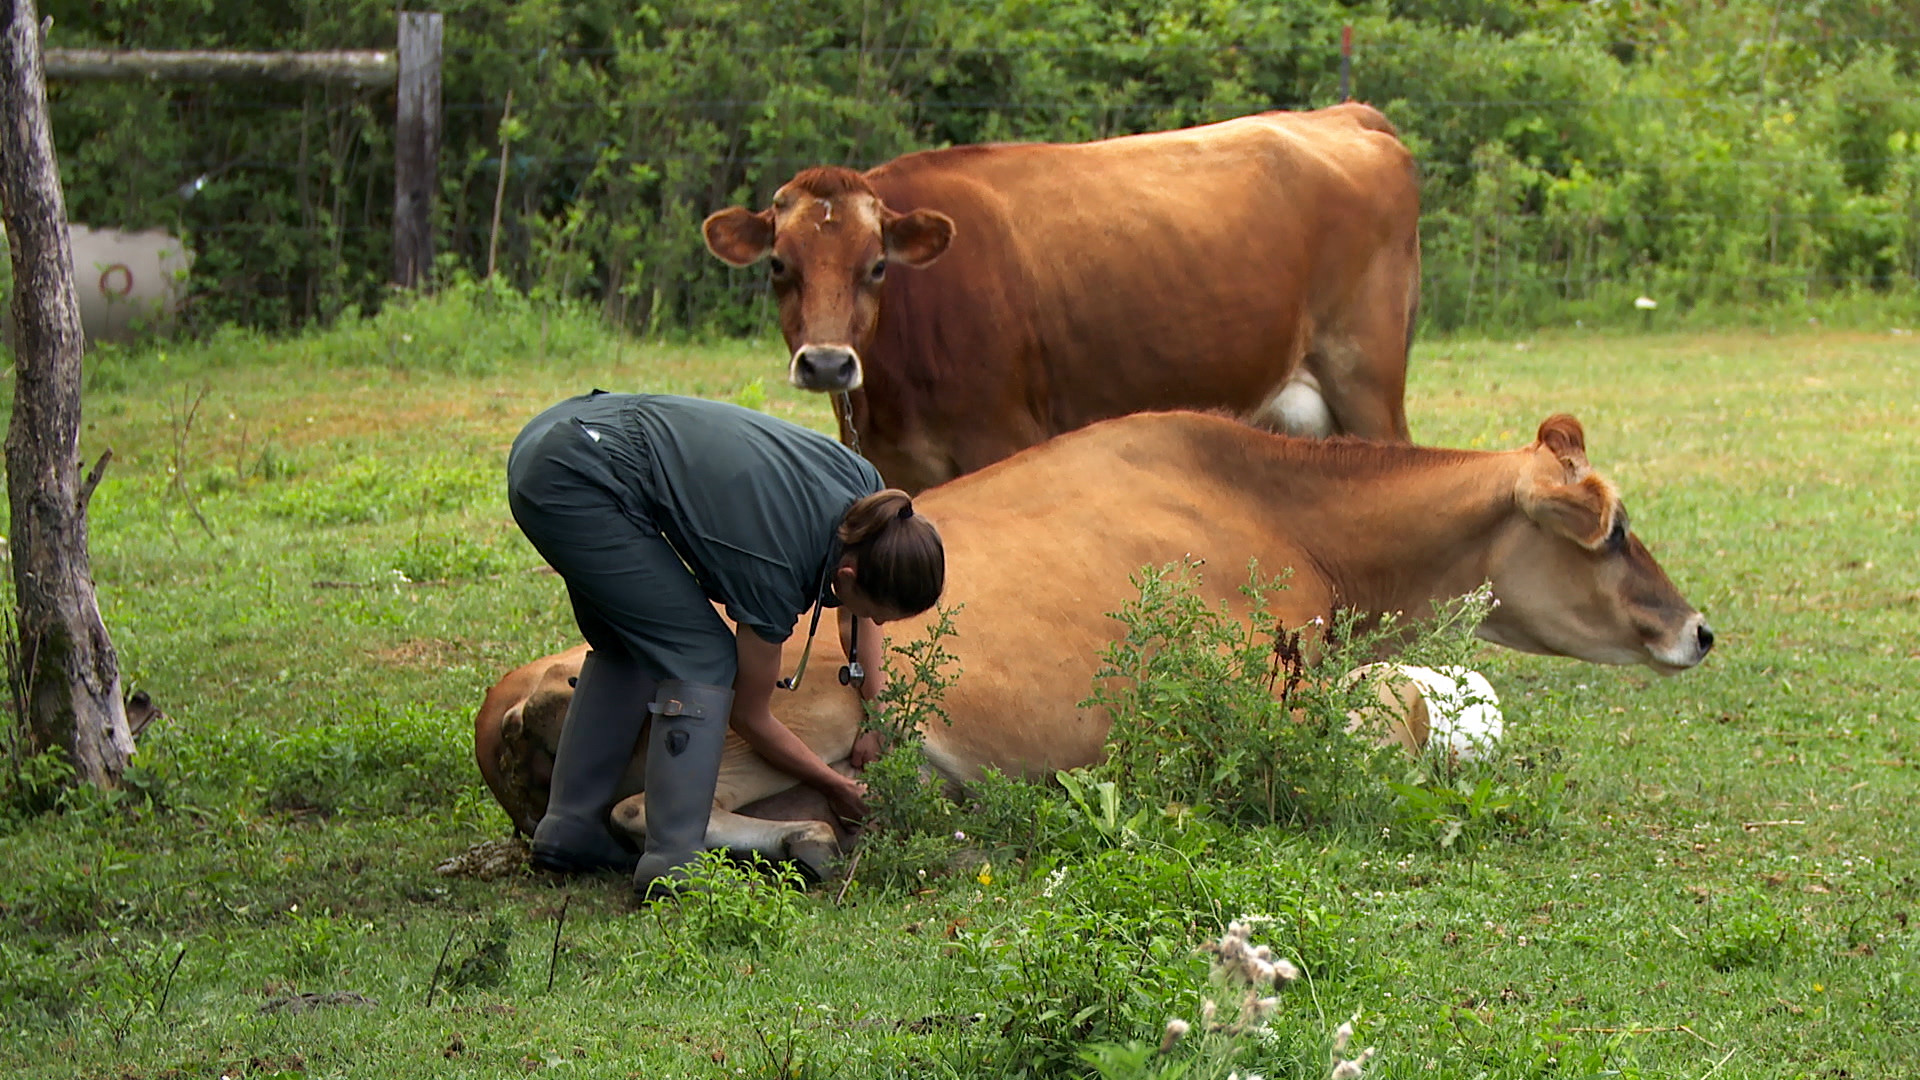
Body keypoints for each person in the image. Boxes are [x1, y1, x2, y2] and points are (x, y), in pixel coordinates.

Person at [505, 391, 945, 898]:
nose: (875, 622)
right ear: (846, 577)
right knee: (702, 658)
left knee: (631, 641)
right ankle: (673, 857)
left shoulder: (872, 503)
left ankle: (570, 830)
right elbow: (749, 715)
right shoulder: (774, 568)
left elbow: (858, 620)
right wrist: (835, 785)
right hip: (574, 477)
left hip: (561, 435)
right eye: (876, 610)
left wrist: (879, 715)